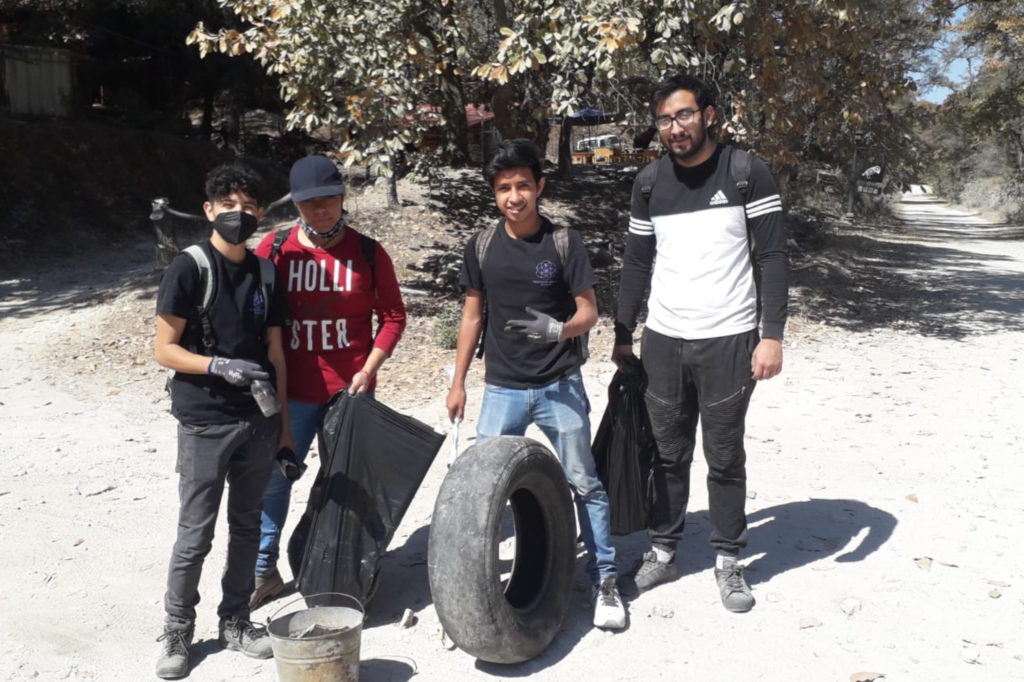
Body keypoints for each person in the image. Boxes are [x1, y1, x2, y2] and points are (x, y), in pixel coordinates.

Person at [613, 74, 789, 613]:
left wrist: (772, 336)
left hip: (729, 340)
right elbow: (637, 262)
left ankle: (728, 559)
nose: (675, 128)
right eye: (665, 120)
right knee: (667, 454)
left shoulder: (745, 172)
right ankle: (663, 552)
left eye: (684, 115)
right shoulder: (649, 182)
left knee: (724, 455)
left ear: (709, 115)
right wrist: (624, 332)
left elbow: (772, 256)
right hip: (664, 340)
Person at [446, 139, 626, 630]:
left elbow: (589, 312)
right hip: (501, 388)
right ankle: (475, 591)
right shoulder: (481, 246)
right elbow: (471, 317)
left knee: (584, 482)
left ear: (540, 186)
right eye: (504, 188)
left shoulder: (564, 242)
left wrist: (558, 330)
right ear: (494, 192)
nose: (514, 196)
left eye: (523, 185)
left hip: (558, 385)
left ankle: (605, 579)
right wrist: (458, 382)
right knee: (483, 491)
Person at [249, 155, 407, 609]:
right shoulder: (275, 249)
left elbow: (393, 317)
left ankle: (346, 570)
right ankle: (263, 570)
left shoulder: (369, 253)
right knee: (275, 480)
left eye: (328, 200)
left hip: (350, 393)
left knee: (350, 485)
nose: (320, 210)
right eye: (309, 203)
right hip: (291, 393)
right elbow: (251, 310)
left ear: (342, 197)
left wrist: (369, 368)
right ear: (296, 204)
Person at [153, 162, 292, 678]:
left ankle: (235, 620)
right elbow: (164, 349)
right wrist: (216, 365)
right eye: (228, 205)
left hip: (257, 420)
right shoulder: (189, 267)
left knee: (247, 526)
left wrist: (282, 428)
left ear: (261, 213)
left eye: (249, 206)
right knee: (195, 533)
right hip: (205, 421)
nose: (239, 214)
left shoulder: (266, 273)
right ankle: (177, 629)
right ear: (209, 210)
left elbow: (276, 354)